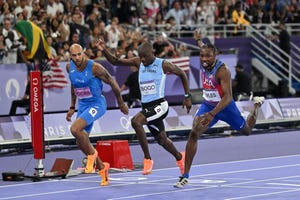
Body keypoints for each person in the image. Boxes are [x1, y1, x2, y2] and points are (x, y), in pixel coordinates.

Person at [174, 30, 265, 188]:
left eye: (208, 56)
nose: (204, 59)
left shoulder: (223, 71)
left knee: (247, 130)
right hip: (207, 104)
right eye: (202, 56)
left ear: (215, 55)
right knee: (194, 132)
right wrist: (198, 40)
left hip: (225, 107)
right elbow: (203, 46)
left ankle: (256, 106)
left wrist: (212, 114)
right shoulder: (204, 56)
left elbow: (228, 97)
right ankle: (185, 175)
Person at [96, 39, 192, 176]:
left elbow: (182, 73)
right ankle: (180, 158)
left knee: (136, 121)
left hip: (160, 105)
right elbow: (115, 61)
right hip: (147, 107)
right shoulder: (138, 62)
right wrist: (103, 49)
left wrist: (187, 96)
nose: (142, 60)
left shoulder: (163, 64)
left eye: (144, 57)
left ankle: (147, 159)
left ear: (151, 53)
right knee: (162, 140)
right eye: (140, 57)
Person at [66, 43, 129, 186]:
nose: (77, 58)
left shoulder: (94, 67)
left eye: (79, 54)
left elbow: (112, 82)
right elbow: (74, 85)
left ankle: (92, 155)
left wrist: (121, 103)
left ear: (83, 53)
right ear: (70, 56)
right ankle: (102, 168)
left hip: (97, 104)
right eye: (74, 55)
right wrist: (71, 107)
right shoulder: (69, 67)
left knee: (75, 129)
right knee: (80, 141)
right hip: (83, 104)